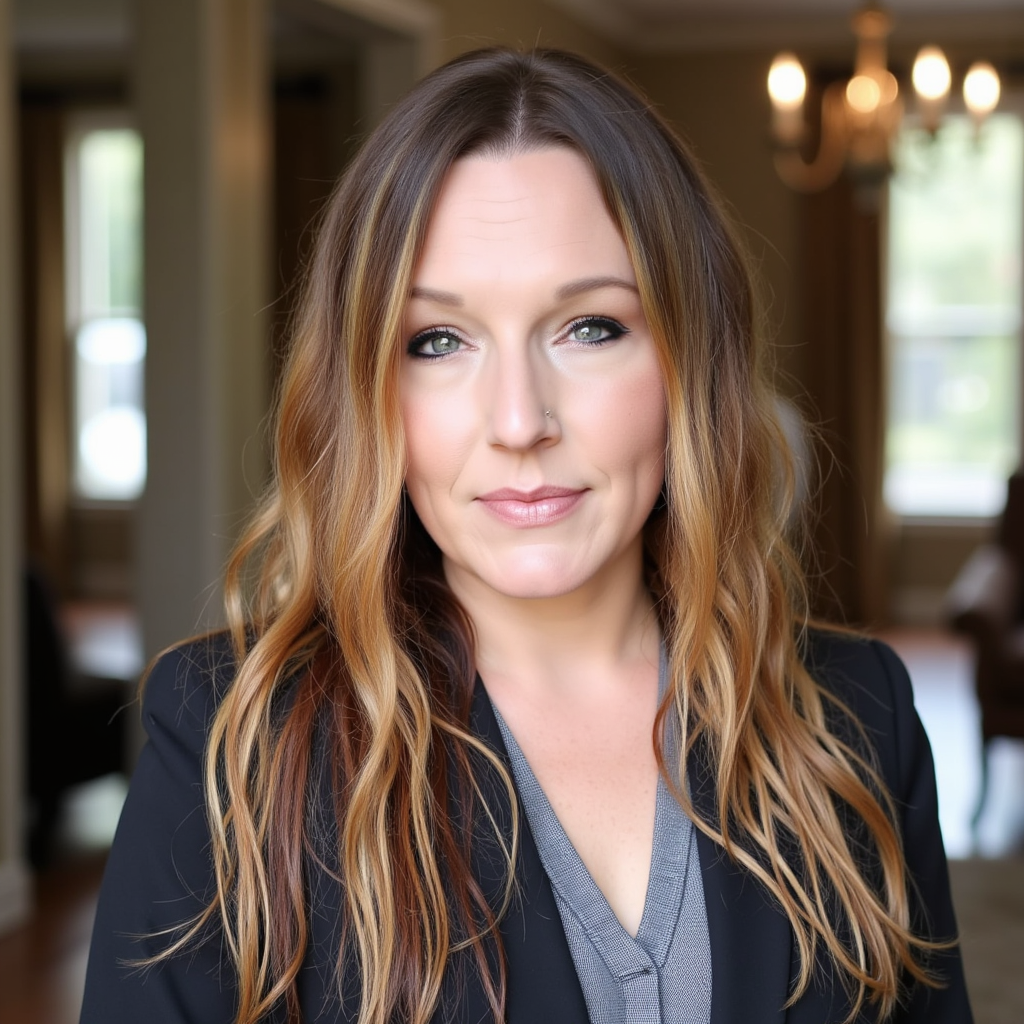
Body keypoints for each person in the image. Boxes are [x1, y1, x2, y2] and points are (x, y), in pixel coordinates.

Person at [80, 47, 971, 1024]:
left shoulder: (854, 716)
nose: (518, 419)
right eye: (438, 342)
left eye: (588, 326)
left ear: (690, 358)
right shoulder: (231, 740)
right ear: (367, 388)